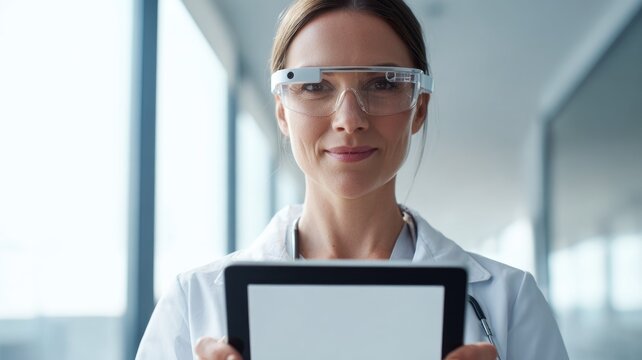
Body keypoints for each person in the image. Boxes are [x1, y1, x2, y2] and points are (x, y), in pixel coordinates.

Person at [136, 0, 569, 359]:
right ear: (282, 111)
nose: (349, 120)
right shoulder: (194, 306)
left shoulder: (509, 304)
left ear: (419, 109)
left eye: (382, 84)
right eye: (313, 86)